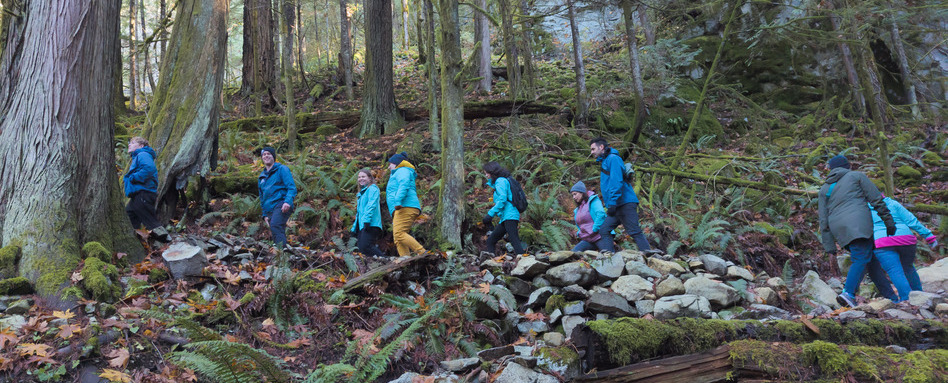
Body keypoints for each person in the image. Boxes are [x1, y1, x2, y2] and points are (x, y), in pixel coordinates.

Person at [818, 154, 896, 307]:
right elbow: (876, 199)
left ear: (831, 169)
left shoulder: (824, 189)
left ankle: (892, 297)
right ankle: (848, 293)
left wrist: (830, 248)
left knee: (871, 262)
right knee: (860, 257)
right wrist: (888, 221)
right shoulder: (856, 176)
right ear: (847, 166)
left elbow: (823, 220)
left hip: (839, 228)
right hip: (858, 223)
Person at [865, 196, 939, 302]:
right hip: (906, 239)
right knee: (908, 268)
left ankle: (907, 299)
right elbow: (911, 220)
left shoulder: (865, 209)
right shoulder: (893, 203)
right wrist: (928, 236)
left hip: (883, 242)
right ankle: (920, 297)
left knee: (895, 271)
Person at [589, 138, 651, 252]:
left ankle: (650, 255)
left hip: (625, 203)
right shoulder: (606, 160)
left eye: (593, 149)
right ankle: (609, 256)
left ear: (601, 147)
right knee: (604, 230)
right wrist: (612, 204)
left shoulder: (613, 159)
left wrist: (612, 202)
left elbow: (616, 181)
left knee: (634, 231)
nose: (591, 152)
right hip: (617, 204)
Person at [124, 137, 168, 240]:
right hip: (138, 194)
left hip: (144, 192)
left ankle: (165, 240)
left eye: (133, 143)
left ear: (141, 146)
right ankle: (135, 239)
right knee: (130, 215)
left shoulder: (143, 154)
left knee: (150, 220)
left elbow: (149, 168)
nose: (129, 145)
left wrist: (134, 177)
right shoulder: (138, 156)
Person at [386, 152, 426, 256]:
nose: (389, 167)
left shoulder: (402, 170)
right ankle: (406, 259)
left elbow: (403, 185)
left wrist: (397, 201)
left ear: (397, 163)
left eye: (390, 164)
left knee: (399, 234)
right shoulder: (399, 171)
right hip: (401, 207)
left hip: (405, 206)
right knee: (398, 238)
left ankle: (422, 252)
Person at [482, 162, 525, 255]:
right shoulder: (501, 181)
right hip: (505, 217)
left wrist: (490, 215)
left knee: (515, 241)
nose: (486, 175)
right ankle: (491, 261)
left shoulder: (500, 181)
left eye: (487, 173)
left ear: (492, 172)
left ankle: (525, 261)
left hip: (510, 215)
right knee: (490, 241)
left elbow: (502, 199)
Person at [258, 147, 297, 248]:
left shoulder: (282, 169)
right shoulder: (262, 177)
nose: (266, 156)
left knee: (275, 225)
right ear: (262, 158)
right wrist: (265, 215)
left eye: (268, 154)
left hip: (281, 203)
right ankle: (281, 253)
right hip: (269, 208)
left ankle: (281, 251)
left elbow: (291, 187)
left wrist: (287, 202)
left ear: (273, 156)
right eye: (264, 155)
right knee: (275, 229)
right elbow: (262, 197)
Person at [351, 169, 385, 258]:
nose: (360, 179)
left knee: (366, 246)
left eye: (363, 176)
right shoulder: (362, 193)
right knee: (361, 249)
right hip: (363, 224)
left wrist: (366, 221)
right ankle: (378, 263)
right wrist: (354, 228)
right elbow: (359, 213)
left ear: (370, 178)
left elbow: (371, 205)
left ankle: (386, 260)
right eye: (359, 177)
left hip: (371, 223)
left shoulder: (372, 189)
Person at [569, 181, 610, 252]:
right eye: (572, 195)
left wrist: (595, 229)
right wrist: (579, 233)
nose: (574, 197)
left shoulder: (593, 201)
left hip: (600, 236)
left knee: (608, 255)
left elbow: (601, 214)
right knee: (573, 253)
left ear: (582, 192)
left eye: (575, 194)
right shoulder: (578, 209)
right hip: (588, 239)